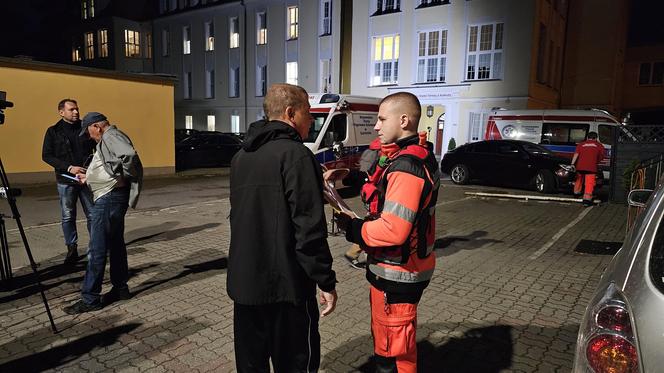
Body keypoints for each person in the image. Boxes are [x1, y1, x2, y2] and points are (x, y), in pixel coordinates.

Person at [227, 83, 338, 373]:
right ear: (291, 113)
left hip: (245, 286)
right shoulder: (297, 156)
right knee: (295, 364)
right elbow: (309, 229)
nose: (311, 120)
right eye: (308, 113)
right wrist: (325, 280)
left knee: (251, 366)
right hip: (286, 290)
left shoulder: (241, 157)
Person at [336, 92, 440, 373]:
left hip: (398, 275)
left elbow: (393, 230)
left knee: (391, 355)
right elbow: (382, 195)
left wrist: (353, 228)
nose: (377, 126)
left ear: (404, 120)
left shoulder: (406, 167)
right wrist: (354, 177)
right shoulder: (410, 156)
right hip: (402, 271)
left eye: (382, 119)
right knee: (399, 348)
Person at [63, 112, 143, 314]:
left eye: (89, 132)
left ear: (97, 126)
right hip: (111, 197)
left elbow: (129, 155)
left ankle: (90, 299)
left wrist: (120, 176)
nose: (89, 137)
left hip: (109, 198)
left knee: (97, 248)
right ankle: (120, 288)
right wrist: (90, 177)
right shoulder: (110, 137)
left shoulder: (110, 136)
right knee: (115, 244)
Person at [42, 99, 95, 264]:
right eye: (72, 109)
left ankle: (96, 246)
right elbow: (47, 156)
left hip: (86, 179)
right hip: (66, 180)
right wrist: (69, 168)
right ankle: (71, 248)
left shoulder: (85, 128)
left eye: (77, 109)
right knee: (68, 216)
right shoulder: (53, 131)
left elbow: (97, 149)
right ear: (61, 112)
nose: (76, 112)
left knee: (93, 214)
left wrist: (90, 169)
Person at [344, 137, 382, 269]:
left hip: (370, 203)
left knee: (369, 230)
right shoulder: (381, 158)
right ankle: (353, 254)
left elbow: (354, 178)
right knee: (370, 232)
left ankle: (358, 254)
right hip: (376, 207)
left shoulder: (368, 156)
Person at [571, 131, 605, 206]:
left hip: (580, 166)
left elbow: (576, 154)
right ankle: (586, 200)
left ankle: (576, 193)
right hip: (591, 168)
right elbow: (602, 156)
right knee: (589, 183)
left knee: (579, 179)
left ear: (587, 137)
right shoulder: (599, 145)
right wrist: (596, 162)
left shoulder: (581, 144)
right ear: (596, 138)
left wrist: (572, 164)